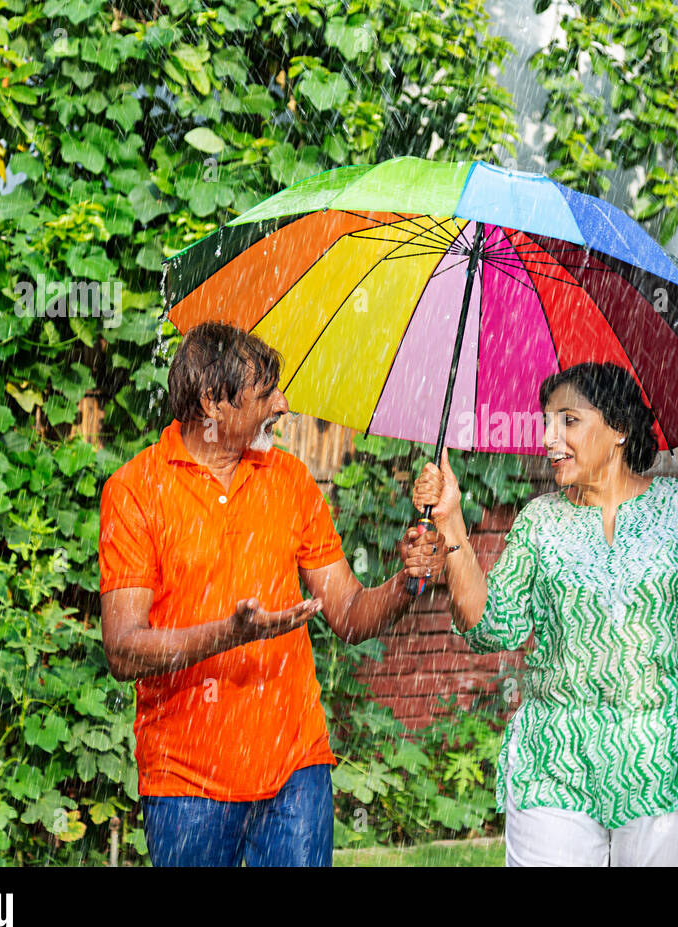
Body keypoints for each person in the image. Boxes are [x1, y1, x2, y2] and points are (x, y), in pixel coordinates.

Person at [99, 321, 446, 867]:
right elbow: (122, 649)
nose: (283, 405)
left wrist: (407, 581)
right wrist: (229, 635)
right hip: (186, 778)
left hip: (295, 769)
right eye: (265, 393)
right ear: (212, 402)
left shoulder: (289, 479)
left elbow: (351, 616)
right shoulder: (136, 491)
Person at [411, 361, 678, 867]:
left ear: (620, 428)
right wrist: (450, 523)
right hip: (554, 761)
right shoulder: (540, 522)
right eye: (545, 422)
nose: (548, 438)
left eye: (568, 421)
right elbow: (490, 628)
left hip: (669, 758)